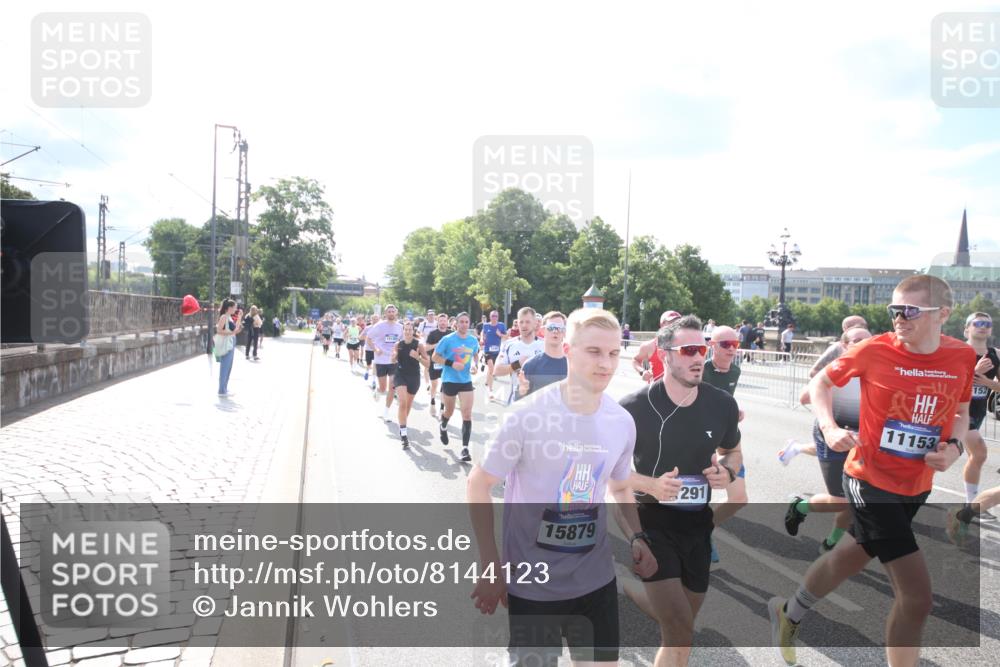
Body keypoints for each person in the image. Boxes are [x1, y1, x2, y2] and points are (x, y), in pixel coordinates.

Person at [769, 275, 973, 667]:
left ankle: (788, 612)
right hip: (869, 478)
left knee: (852, 556)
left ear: (942, 314)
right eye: (894, 310)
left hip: (916, 485)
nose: (899, 318)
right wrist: (828, 428)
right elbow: (820, 383)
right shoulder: (873, 350)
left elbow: (962, 412)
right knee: (917, 599)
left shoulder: (961, 356)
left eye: (910, 310)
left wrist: (954, 447)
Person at [467, 308, 657, 666]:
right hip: (532, 585)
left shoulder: (621, 422)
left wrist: (637, 536)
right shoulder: (526, 416)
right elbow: (479, 484)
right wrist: (491, 567)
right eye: (594, 352)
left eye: (614, 353)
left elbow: (619, 487)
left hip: (595, 581)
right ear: (568, 350)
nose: (606, 363)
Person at [618, 315, 742, 666]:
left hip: (697, 527)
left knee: (683, 620)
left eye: (701, 349)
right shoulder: (632, 408)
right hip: (651, 521)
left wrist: (728, 472)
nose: (698, 357)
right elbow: (607, 473)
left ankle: (631, 588)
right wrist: (650, 486)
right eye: (688, 350)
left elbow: (733, 450)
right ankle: (641, 590)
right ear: (664, 353)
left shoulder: (721, 404)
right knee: (679, 629)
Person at [784, 327, 872, 555]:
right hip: (833, 437)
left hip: (862, 441)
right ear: (844, 346)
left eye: (867, 339)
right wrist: (831, 419)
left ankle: (832, 541)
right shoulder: (837, 369)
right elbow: (805, 396)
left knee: (852, 497)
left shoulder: (876, 370)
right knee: (843, 499)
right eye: (856, 340)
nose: (863, 343)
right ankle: (800, 506)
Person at [701, 326, 747, 563]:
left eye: (735, 344)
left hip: (727, 437)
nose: (731, 349)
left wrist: (733, 409)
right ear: (712, 346)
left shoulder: (735, 371)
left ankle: (704, 529)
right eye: (725, 344)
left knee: (739, 498)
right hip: (701, 437)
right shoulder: (700, 370)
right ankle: (701, 538)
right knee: (700, 496)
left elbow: (725, 399)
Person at [961, 312, 999, 519]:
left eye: (987, 324)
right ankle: (972, 508)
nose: (983, 327)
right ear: (967, 329)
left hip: (978, 412)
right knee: (980, 453)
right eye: (978, 323)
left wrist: (987, 383)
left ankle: (973, 505)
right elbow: (948, 382)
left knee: (973, 457)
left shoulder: (996, 355)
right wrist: (974, 371)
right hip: (956, 412)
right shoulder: (956, 352)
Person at [432, 312, 480, 462]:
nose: (464, 324)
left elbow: (475, 355)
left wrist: (475, 365)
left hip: (465, 381)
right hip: (449, 380)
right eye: (462, 322)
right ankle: (443, 425)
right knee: (449, 411)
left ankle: (465, 449)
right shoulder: (448, 339)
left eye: (467, 322)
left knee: (467, 414)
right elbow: (435, 357)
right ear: (456, 324)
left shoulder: (473, 340)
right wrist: (451, 363)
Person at [493, 307, 544, 405]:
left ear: (535, 323)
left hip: (540, 402)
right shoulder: (509, 344)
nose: (524, 325)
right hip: (516, 402)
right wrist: (518, 364)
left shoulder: (545, 345)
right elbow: (497, 371)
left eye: (528, 322)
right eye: (521, 322)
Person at [391, 320, 430, 449]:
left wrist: (418, 357)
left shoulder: (419, 345)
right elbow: (393, 359)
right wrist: (393, 357)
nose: (407, 332)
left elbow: (428, 364)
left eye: (410, 329)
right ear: (403, 331)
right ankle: (403, 434)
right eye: (405, 329)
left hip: (414, 377)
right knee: (402, 402)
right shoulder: (398, 344)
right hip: (400, 375)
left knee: (407, 405)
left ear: (413, 331)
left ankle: (402, 423)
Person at [516, 311, 568, 400]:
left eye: (559, 328)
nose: (555, 331)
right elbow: (518, 401)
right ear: (543, 331)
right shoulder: (531, 365)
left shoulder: (574, 366)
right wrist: (522, 391)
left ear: (564, 332)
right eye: (551, 327)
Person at [366, 306, 404, 421]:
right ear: (385, 313)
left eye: (393, 311)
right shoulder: (379, 326)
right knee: (383, 388)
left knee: (392, 387)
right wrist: (375, 350)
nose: (391, 313)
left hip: (393, 360)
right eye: (389, 312)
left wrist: (399, 353)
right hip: (381, 360)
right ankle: (378, 391)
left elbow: (401, 342)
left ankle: (386, 412)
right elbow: (368, 338)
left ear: (396, 313)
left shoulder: (400, 327)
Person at [631, 311, 682, 383]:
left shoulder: (686, 345)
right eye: (671, 322)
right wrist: (642, 371)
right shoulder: (650, 345)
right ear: (662, 324)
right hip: (656, 390)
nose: (675, 325)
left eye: (678, 323)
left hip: (679, 390)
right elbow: (635, 360)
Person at [423, 312, 451, 418]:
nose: (443, 323)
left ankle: (442, 408)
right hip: (434, 363)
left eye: (444, 321)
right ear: (437, 322)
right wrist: (437, 344)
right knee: (434, 385)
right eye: (441, 321)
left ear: (447, 322)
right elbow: (426, 348)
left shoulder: (451, 333)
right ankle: (432, 402)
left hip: (447, 363)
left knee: (444, 385)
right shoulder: (433, 334)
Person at [216, 299, 243, 396]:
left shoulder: (230, 317)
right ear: (229, 308)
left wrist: (239, 317)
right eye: (234, 307)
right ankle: (221, 390)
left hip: (231, 342)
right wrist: (231, 333)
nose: (236, 309)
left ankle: (224, 388)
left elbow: (235, 329)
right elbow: (218, 330)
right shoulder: (224, 317)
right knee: (225, 366)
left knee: (229, 367)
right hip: (226, 343)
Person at [480, 310, 509, 399]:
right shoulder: (486, 325)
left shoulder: (501, 325)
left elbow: (506, 336)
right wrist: (481, 339)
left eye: (496, 316)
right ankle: (490, 390)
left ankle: (488, 380)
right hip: (487, 350)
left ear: (498, 317)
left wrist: (500, 334)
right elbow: (482, 333)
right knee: (491, 368)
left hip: (497, 351)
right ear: (490, 317)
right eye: (493, 316)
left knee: (491, 369)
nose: (494, 318)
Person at [363, 313, 380, 386]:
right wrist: (367, 339)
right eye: (374, 319)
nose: (375, 320)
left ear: (379, 320)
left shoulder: (380, 328)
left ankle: (374, 380)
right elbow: (361, 336)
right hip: (368, 349)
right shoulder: (367, 328)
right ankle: (367, 371)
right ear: (371, 320)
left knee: (375, 365)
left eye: (376, 319)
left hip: (376, 349)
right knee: (369, 364)